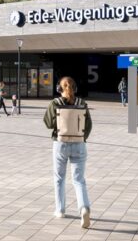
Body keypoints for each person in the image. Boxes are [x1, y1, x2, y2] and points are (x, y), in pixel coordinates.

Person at [43, 76, 92, 229]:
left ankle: (60, 210)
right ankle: (84, 207)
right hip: (79, 144)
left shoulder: (55, 103)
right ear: (75, 88)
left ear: (59, 88)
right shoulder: (82, 103)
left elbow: (48, 123)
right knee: (79, 180)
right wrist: (81, 138)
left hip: (60, 143)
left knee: (59, 178)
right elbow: (88, 125)